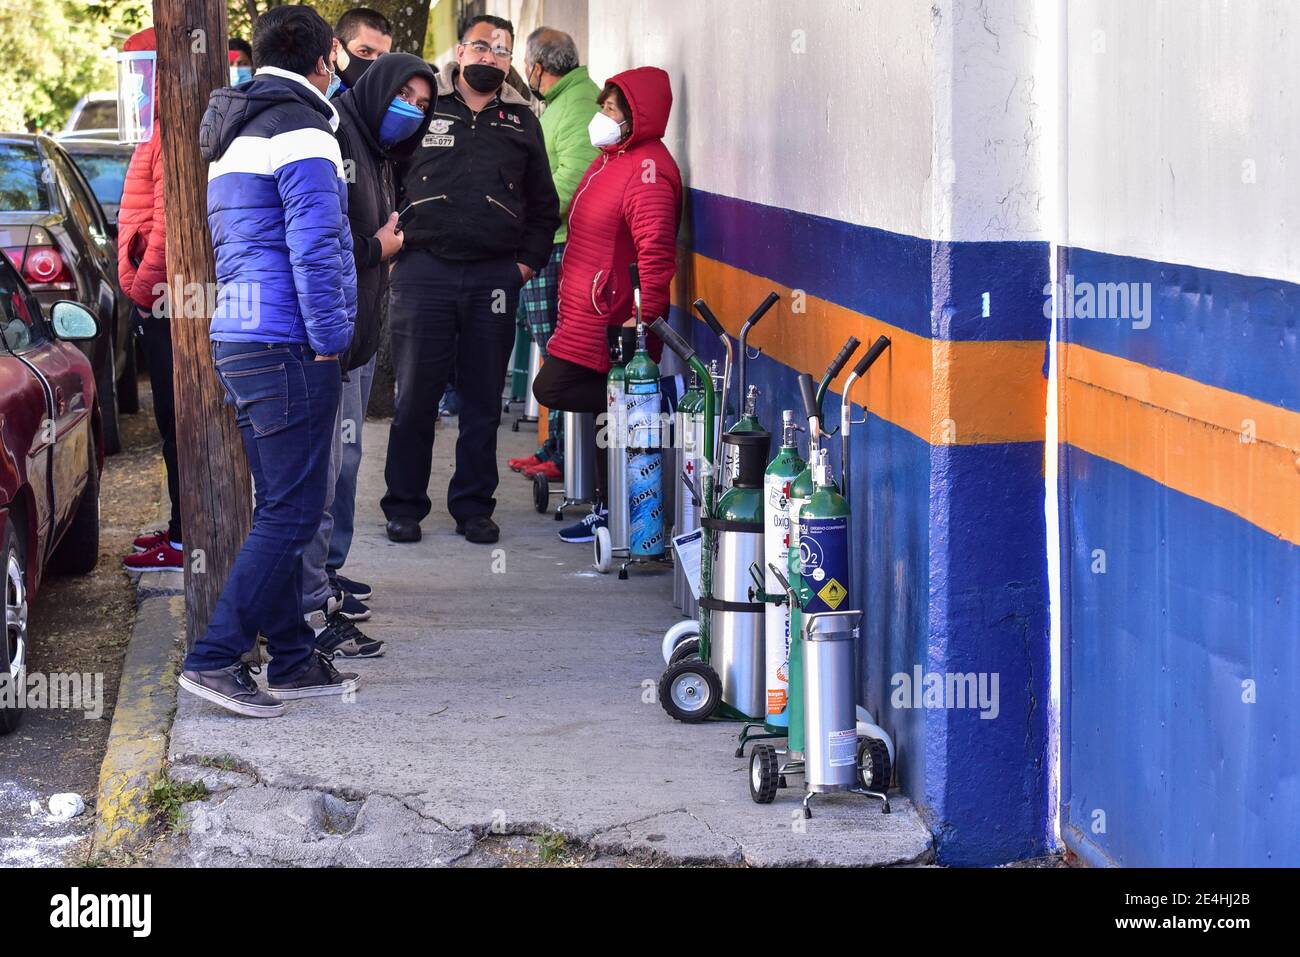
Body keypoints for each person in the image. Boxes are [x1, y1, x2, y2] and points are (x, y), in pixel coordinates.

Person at [179, 4, 358, 717]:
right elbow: (315, 246)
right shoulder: (304, 128)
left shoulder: (238, 128)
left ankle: (287, 656)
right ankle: (215, 657)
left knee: (283, 504)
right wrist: (330, 334)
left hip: (243, 337)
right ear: (323, 62)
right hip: (289, 340)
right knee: (292, 509)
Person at [381, 14, 559, 545]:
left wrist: (523, 266)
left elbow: (543, 207)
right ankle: (404, 506)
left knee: (483, 402)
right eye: (481, 46)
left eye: (501, 51)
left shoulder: (522, 120)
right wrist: (390, 248)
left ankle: (474, 507)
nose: (490, 57)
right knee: (415, 398)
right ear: (461, 52)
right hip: (422, 274)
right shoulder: (423, 107)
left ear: (510, 63)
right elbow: (385, 177)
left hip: (493, 280)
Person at [298, 52, 436, 657]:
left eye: (425, 105)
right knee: (317, 480)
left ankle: (321, 585)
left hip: (351, 342)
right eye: (406, 94)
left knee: (343, 467)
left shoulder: (381, 152)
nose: (414, 109)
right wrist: (379, 247)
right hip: (323, 345)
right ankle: (306, 611)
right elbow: (318, 244)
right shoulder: (335, 136)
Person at [533, 68, 683, 543]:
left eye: (613, 109)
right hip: (588, 310)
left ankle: (654, 403)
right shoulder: (610, 159)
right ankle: (607, 508)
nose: (602, 116)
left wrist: (644, 321)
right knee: (604, 419)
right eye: (603, 106)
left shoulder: (649, 171)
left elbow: (655, 253)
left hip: (616, 315)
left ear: (638, 115)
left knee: (555, 388)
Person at [505, 27, 600, 488]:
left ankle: (564, 454)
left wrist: (528, 221)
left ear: (537, 67)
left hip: (557, 245)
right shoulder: (564, 101)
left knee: (559, 353)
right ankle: (555, 446)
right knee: (551, 349)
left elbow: (575, 181)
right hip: (549, 240)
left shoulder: (579, 103)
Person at [117, 27, 183, 573]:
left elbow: (167, 226)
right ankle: (182, 528)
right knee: (170, 420)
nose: (135, 85)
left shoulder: (172, 130)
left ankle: (186, 539)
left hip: (164, 300)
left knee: (177, 418)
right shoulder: (157, 128)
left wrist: (142, 291)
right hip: (157, 297)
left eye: (141, 72)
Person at [333, 7, 393, 94]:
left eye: (382, 57)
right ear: (335, 48)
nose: (375, 63)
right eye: (364, 51)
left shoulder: (380, 101)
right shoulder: (315, 95)